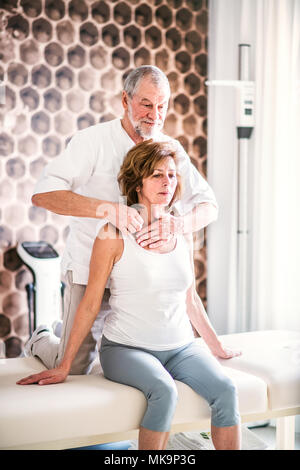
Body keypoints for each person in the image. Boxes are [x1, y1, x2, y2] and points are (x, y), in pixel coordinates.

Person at [18, 140, 242, 451]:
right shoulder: (112, 235)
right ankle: (43, 339)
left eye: (173, 175)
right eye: (157, 175)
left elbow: (190, 299)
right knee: (164, 392)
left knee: (226, 389)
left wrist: (217, 347)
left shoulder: (180, 231)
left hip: (180, 348)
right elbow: (92, 303)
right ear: (137, 181)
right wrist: (64, 365)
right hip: (126, 349)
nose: (168, 182)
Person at [23, 65, 219, 375]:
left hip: (143, 277)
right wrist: (107, 209)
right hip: (92, 268)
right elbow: (43, 195)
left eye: (162, 105)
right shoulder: (92, 141)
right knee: (75, 366)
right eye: (146, 104)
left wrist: (177, 226)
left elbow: (209, 206)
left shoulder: (170, 150)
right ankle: (43, 338)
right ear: (125, 100)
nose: (154, 115)